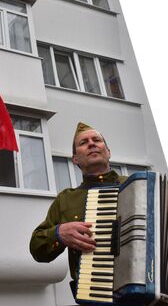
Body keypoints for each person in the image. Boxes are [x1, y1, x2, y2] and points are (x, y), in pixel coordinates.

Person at [29, 122, 126, 296]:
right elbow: (36, 249)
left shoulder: (138, 185)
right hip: (97, 296)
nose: (91, 143)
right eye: (83, 143)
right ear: (75, 159)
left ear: (108, 152)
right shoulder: (66, 199)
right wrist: (58, 234)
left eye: (97, 140)